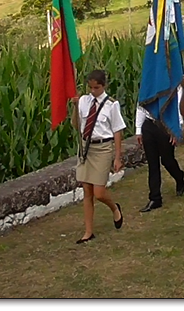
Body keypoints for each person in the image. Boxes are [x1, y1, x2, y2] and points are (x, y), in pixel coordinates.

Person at [72, 70, 125, 244]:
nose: (94, 91)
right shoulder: (84, 102)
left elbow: (117, 130)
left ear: (104, 86)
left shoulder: (111, 105)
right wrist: (74, 106)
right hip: (87, 147)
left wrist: (117, 157)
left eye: (97, 87)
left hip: (103, 147)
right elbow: (76, 124)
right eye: (91, 87)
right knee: (87, 191)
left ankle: (114, 208)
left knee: (99, 192)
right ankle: (88, 231)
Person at [135, 86, 184, 213]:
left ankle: (179, 177)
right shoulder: (150, 83)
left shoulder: (173, 84)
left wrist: (176, 129)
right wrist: (138, 130)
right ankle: (155, 198)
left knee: (167, 160)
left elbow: (177, 107)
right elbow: (142, 104)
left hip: (166, 125)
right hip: (149, 124)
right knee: (152, 164)